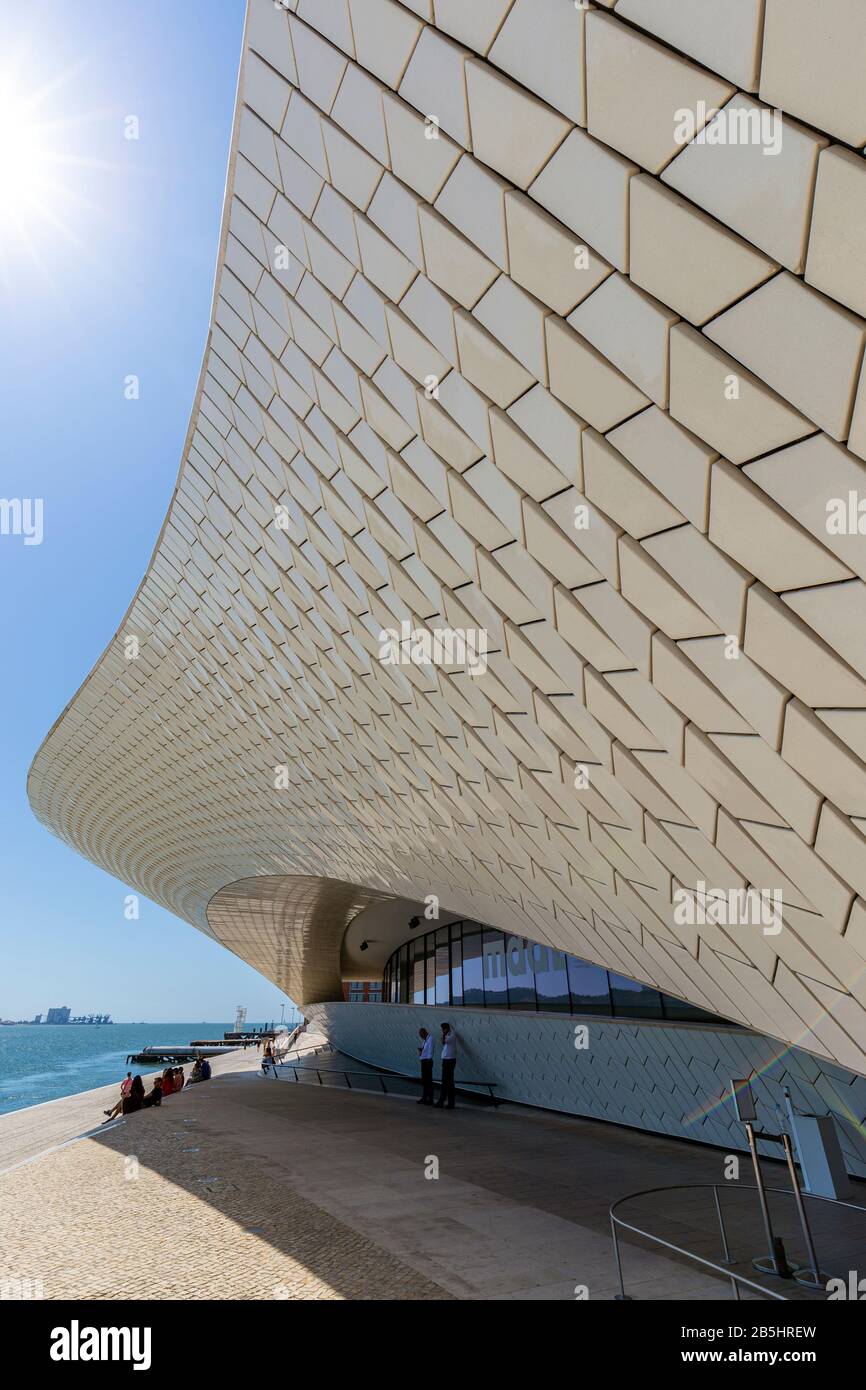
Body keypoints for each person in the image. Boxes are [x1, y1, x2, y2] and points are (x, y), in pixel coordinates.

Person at [435, 1023, 457, 1110]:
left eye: (443, 1029)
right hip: (446, 1060)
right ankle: (447, 1102)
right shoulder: (448, 1035)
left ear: (447, 1028)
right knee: (446, 1081)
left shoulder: (452, 1035)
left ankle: (446, 1102)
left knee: (448, 1082)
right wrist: (444, 1034)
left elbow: (444, 1041)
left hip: (450, 1060)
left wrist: (444, 1034)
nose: (442, 1030)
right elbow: (443, 1042)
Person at [417, 1027, 434, 1105]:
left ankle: (430, 1099)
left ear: (424, 1033)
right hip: (424, 1061)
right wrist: (421, 1050)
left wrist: (429, 1059)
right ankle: (425, 1097)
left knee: (428, 1081)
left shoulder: (430, 1039)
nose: (421, 1037)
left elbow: (431, 1050)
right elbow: (426, 1050)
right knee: (424, 1081)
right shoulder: (424, 1040)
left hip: (427, 1061)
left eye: (421, 1035)